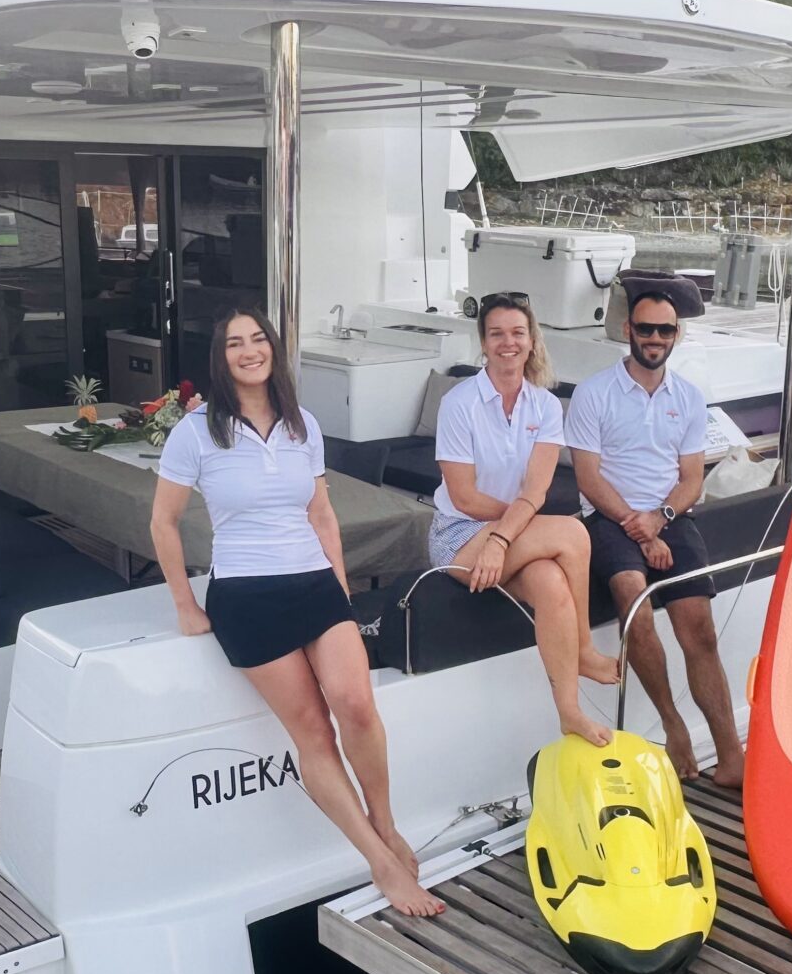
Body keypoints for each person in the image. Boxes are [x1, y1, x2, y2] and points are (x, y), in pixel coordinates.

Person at [152, 309, 442, 917]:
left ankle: (386, 823)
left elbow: (321, 515)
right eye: (235, 343)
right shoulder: (196, 433)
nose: (249, 351)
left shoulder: (301, 423)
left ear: (273, 348)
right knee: (312, 731)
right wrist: (184, 604)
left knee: (357, 706)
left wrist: (340, 589)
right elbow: (164, 522)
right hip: (246, 594)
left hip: (315, 584)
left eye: (258, 339)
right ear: (221, 358)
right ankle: (379, 861)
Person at [567, 290, 746, 788]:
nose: (654, 338)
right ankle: (672, 724)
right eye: (645, 328)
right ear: (629, 330)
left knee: (700, 629)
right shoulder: (594, 393)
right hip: (608, 517)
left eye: (664, 330)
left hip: (669, 516)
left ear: (676, 335)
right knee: (634, 600)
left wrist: (660, 519)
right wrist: (638, 527)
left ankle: (730, 755)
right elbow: (588, 478)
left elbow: (692, 479)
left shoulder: (688, 397)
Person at [429, 293, 620, 748]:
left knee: (552, 583)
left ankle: (569, 712)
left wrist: (505, 536)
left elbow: (535, 491)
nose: (508, 343)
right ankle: (584, 650)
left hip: (508, 532)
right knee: (572, 531)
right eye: (496, 334)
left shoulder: (546, 407)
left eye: (517, 333)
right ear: (483, 343)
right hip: (458, 535)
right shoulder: (459, 403)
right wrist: (507, 533)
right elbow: (464, 496)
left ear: (532, 340)